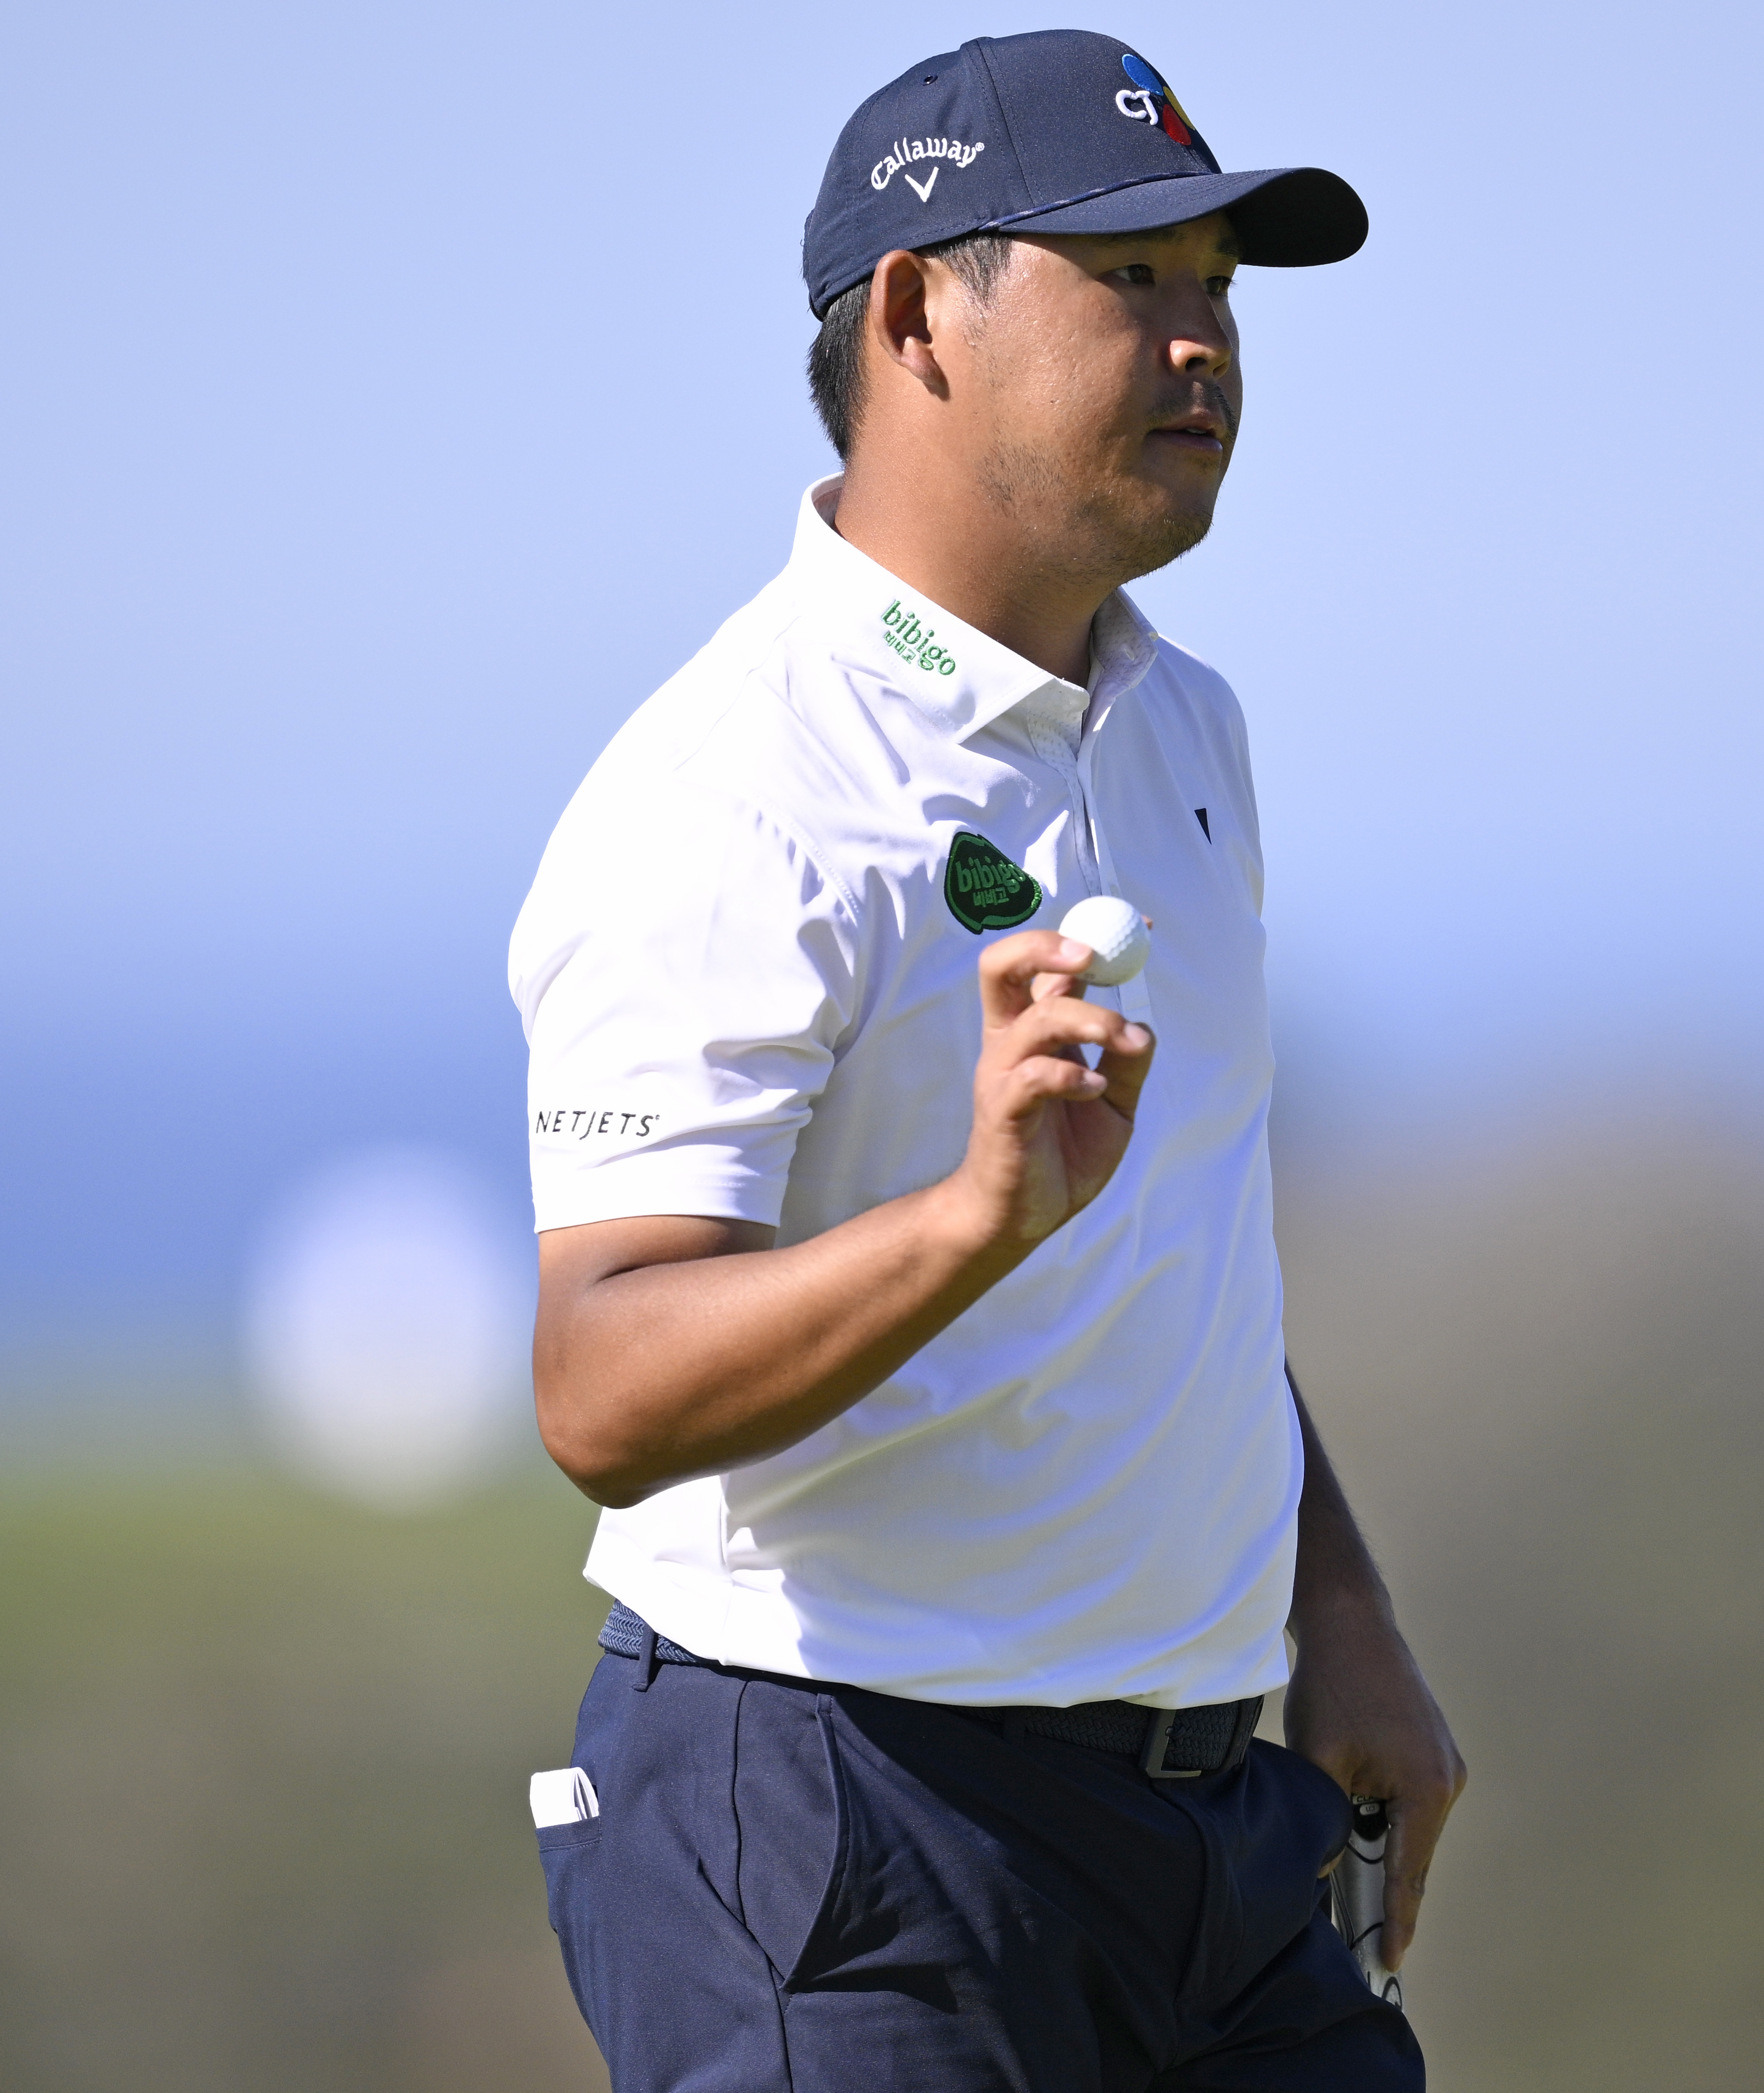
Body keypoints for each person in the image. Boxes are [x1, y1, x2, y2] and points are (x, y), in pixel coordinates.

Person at [508, 29, 1463, 2091]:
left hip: (1212, 1837)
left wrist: (1342, 1612)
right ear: (918, 314)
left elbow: (1174, 1256)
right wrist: (964, 1222)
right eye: (1134, 281)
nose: (1205, 345)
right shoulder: (731, 788)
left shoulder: (1184, 721)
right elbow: (600, 1382)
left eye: (1219, 286)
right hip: (843, 1824)